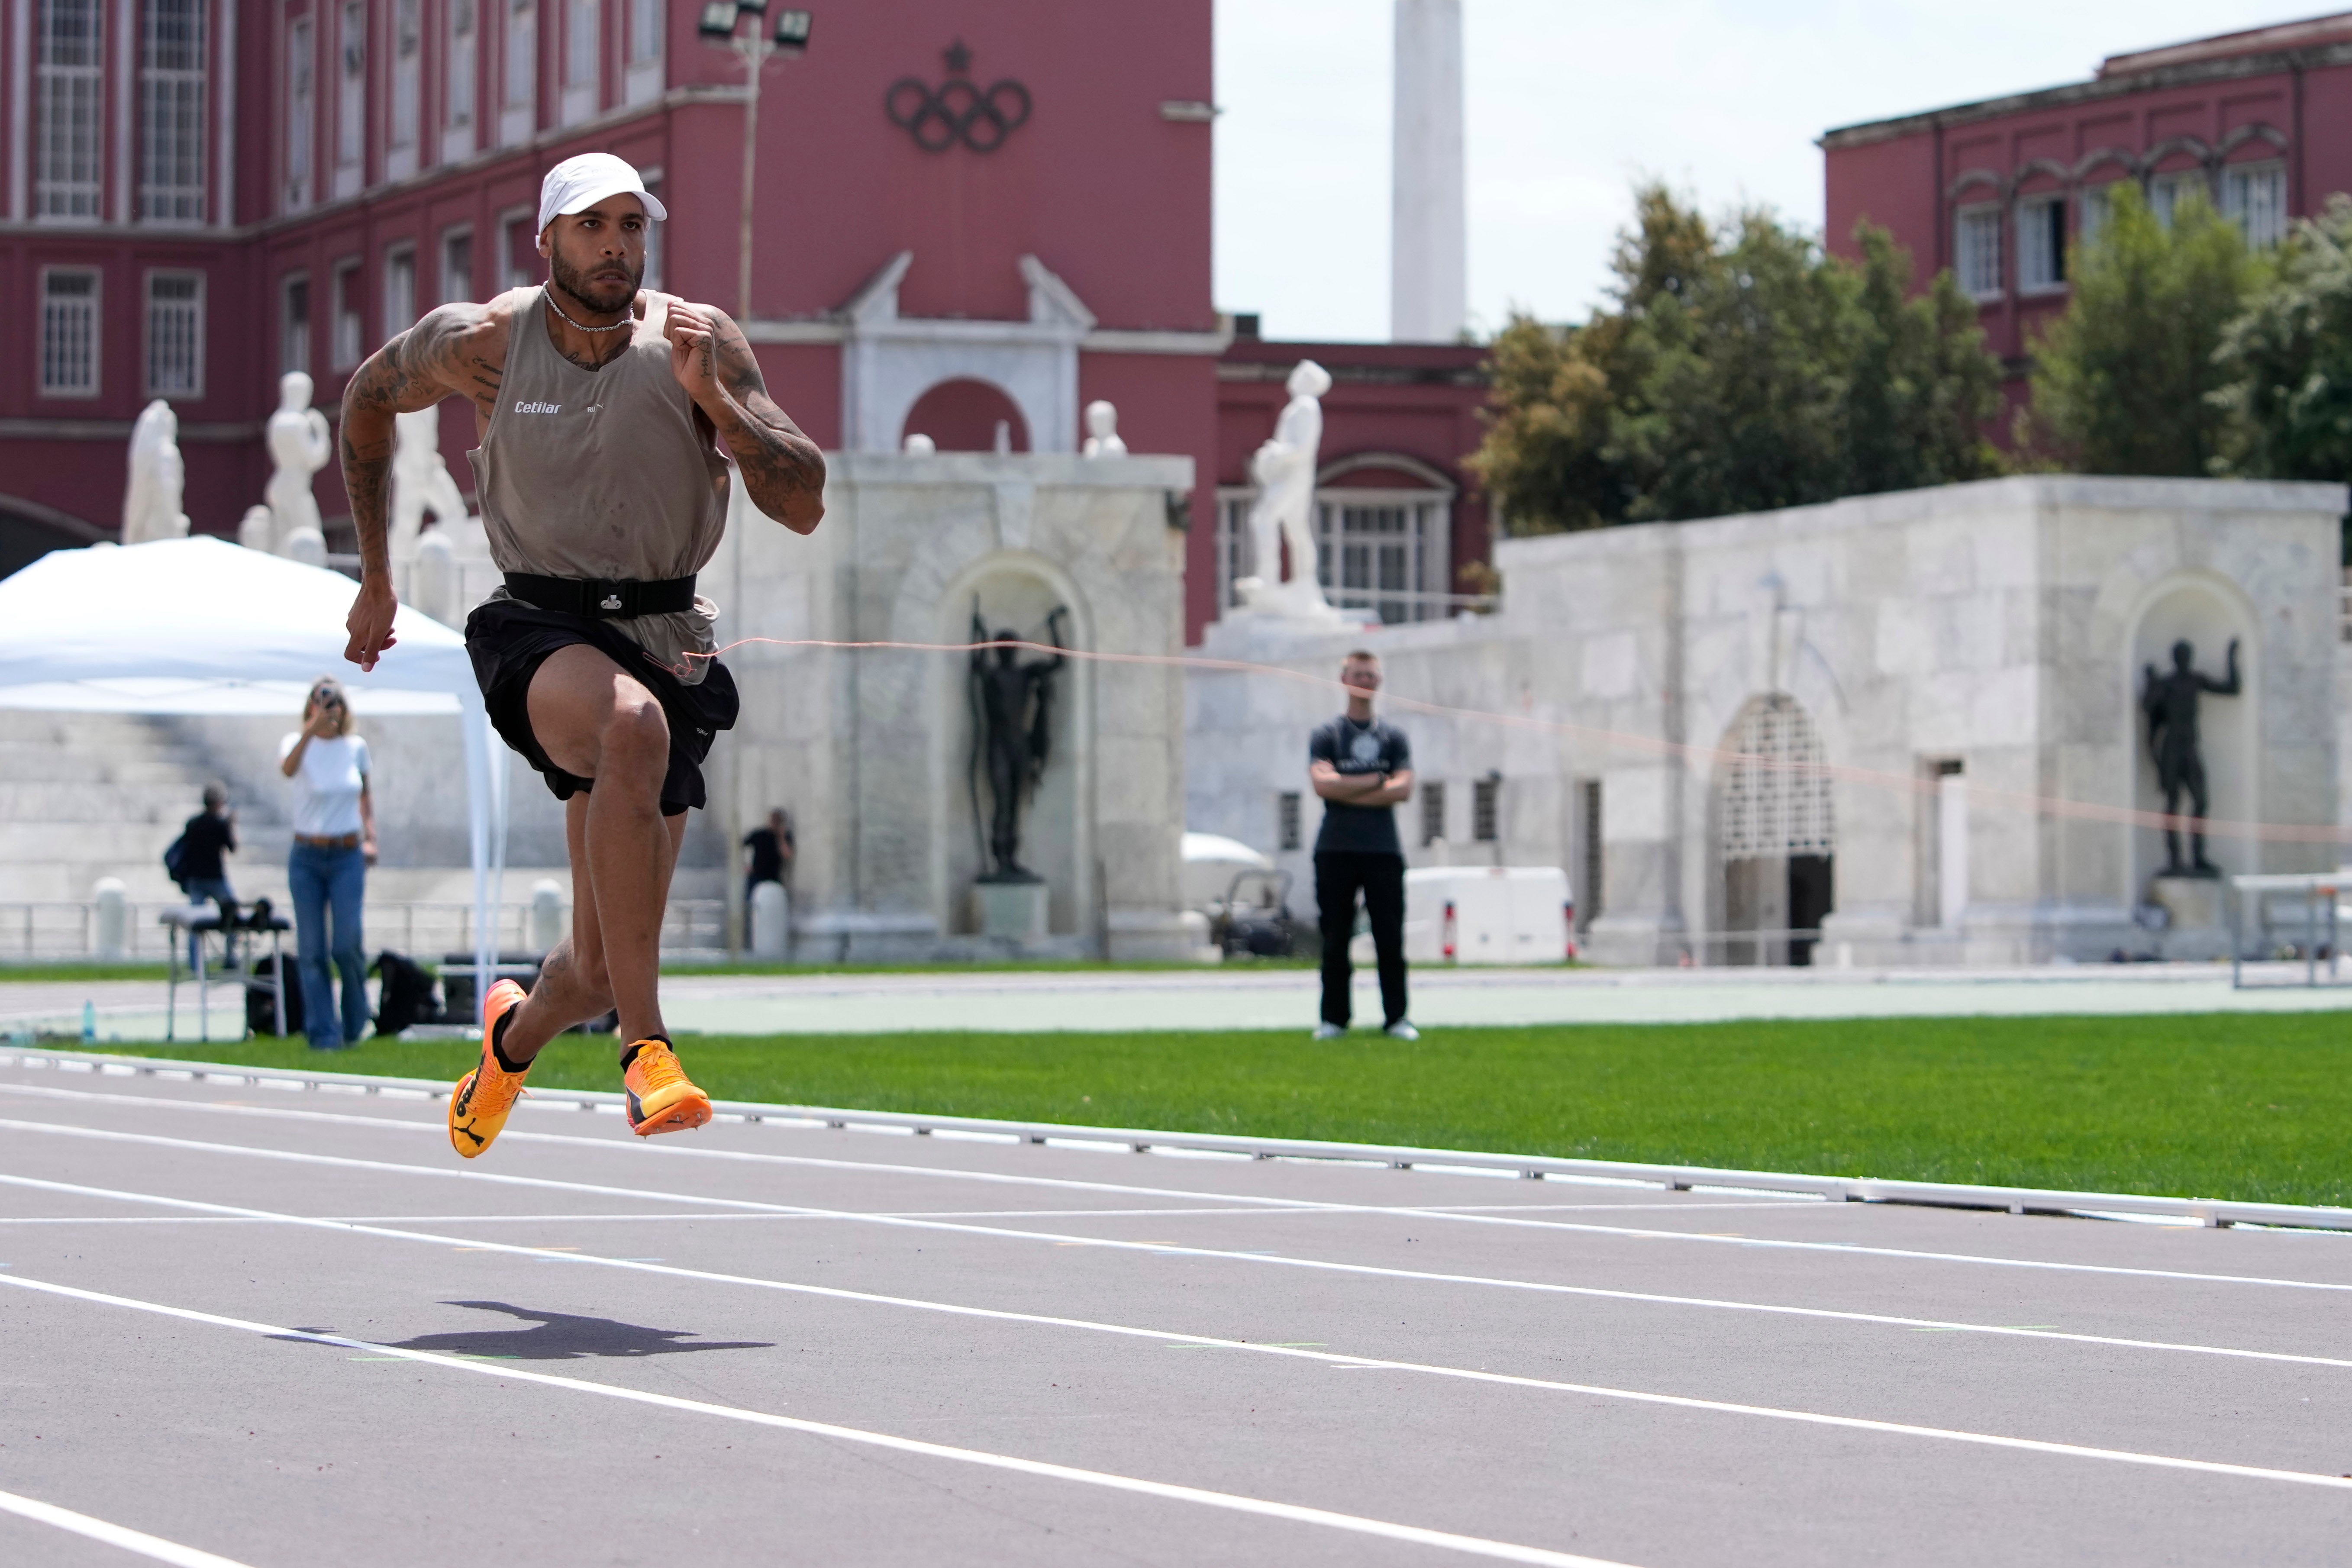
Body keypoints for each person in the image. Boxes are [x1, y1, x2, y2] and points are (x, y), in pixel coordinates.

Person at [335, 152, 825, 1155]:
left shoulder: (696, 339)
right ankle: (648, 1051)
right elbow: (366, 402)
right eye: (592, 226)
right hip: (541, 625)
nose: (615, 247)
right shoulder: (484, 341)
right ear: (547, 236)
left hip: (667, 632)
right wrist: (377, 576)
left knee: (598, 962)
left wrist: (722, 411)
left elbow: (805, 499)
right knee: (626, 726)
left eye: (631, 227)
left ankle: (508, 1045)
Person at [1307, 650, 1416, 1041]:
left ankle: (1396, 1019)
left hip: (1383, 851)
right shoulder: (1327, 735)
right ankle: (1334, 1020)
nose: (1364, 681)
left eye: (1370, 675)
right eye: (1358, 674)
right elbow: (1322, 784)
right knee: (1335, 938)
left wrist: (1345, 789)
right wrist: (1375, 782)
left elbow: (1403, 789)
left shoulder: (1393, 737)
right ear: (1344, 679)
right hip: (1335, 850)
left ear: (1379, 681)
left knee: (1389, 938)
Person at [279, 678, 375, 1050]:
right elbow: (287, 770)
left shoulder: (356, 747)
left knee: (346, 943)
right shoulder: (296, 743)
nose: (328, 707)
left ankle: (356, 1022)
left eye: (333, 700)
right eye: (320, 700)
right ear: (310, 707)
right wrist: (310, 731)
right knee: (312, 949)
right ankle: (323, 1034)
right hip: (306, 855)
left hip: (346, 854)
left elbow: (366, 795)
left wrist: (371, 836)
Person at [174, 784, 238, 969]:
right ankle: (230, 958)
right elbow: (233, 848)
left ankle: (195, 965)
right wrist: (231, 825)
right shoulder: (220, 824)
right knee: (232, 916)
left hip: (196, 879)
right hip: (216, 879)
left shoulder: (193, 823)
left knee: (196, 924)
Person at [742, 807, 794, 904]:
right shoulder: (759, 835)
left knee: (774, 903)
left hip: (774, 877)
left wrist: (781, 837)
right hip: (757, 876)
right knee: (752, 903)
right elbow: (740, 847)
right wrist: (744, 866)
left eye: (777, 821)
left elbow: (787, 855)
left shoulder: (785, 837)